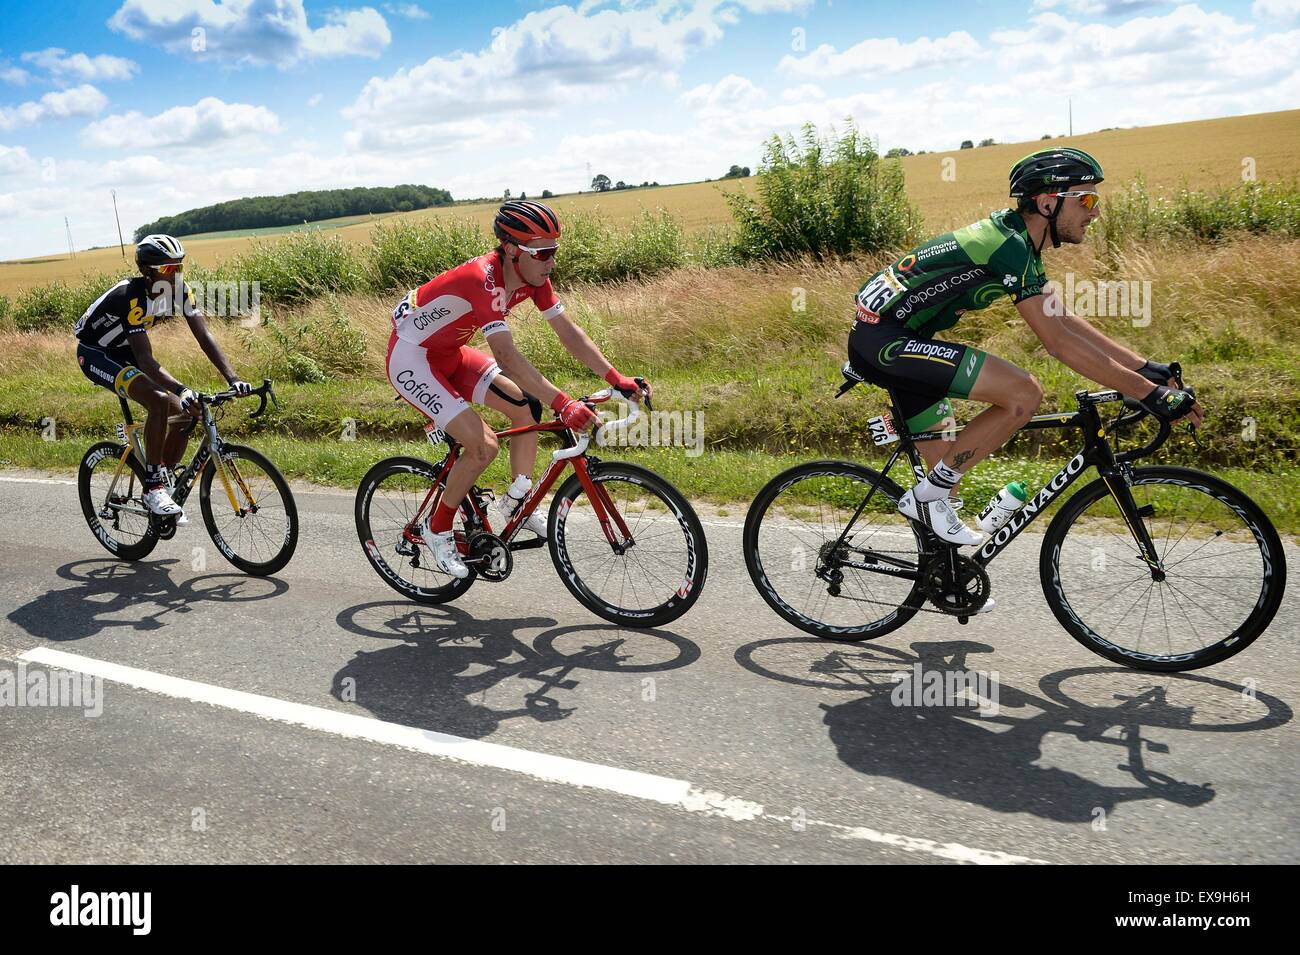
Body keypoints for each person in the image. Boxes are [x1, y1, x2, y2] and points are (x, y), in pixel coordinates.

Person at [847, 147, 1203, 580]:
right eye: (1087, 200)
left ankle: (946, 580)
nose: (1095, 212)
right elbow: (1056, 343)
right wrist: (1149, 394)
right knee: (1023, 393)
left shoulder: (1020, 242)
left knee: (948, 476)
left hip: (902, 337)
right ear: (1048, 202)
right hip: (884, 342)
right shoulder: (1009, 246)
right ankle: (927, 499)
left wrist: (1145, 368)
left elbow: (1063, 318)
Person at [386, 200, 649, 580]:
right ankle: (437, 527)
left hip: (450, 353)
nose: (551, 262)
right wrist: (563, 402)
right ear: (511, 249)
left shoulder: (533, 279)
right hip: (412, 360)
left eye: (554, 251)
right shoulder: (483, 279)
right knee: (484, 446)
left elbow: (569, 334)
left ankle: (515, 503)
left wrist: (616, 379)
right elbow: (507, 357)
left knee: (525, 407)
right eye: (542, 252)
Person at [74, 234, 253, 522]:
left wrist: (233, 378)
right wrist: (182, 389)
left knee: (186, 413)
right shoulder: (129, 295)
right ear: (148, 271)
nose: (176, 275)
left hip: (127, 352)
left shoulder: (181, 291)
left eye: (179, 267)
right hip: (96, 353)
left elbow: (203, 335)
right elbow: (145, 360)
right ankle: (153, 487)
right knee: (159, 401)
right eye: (168, 269)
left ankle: (165, 480)